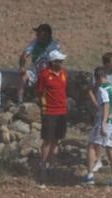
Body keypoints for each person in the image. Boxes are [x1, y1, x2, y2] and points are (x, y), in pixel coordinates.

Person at [84, 67, 112, 187]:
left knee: (92, 145)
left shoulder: (102, 89)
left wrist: (103, 123)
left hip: (107, 121)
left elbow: (106, 104)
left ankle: (90, 176)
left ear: (97, 78)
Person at [36, 49, 69, 180]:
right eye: (59, 61)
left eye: (61, 60)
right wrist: (43, 107)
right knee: (47, 140)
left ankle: (52, 164)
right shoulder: (44, 75)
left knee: (57, 139)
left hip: (62, 111)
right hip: (49, 111)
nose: (61, 63)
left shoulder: (64, 73)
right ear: (53, 62)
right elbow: (39, 92)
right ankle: (43, 165)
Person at [18, 23, 62, 105]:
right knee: (23, 77)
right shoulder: (34, 43)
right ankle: (19, 101)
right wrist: (22, 67)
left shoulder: (54, 46)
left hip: (49, 72)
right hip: (35, 71)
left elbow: (57, 62)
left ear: (46, 35)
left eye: (39, 33)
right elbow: (24, 55)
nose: (37, 35)